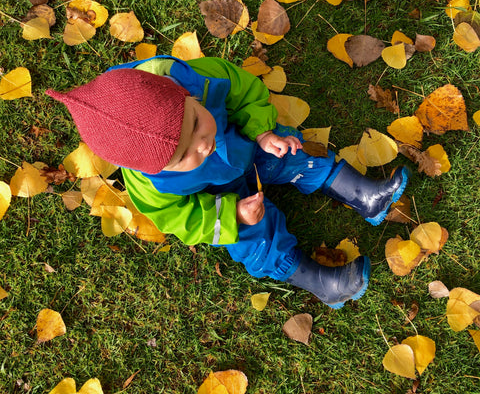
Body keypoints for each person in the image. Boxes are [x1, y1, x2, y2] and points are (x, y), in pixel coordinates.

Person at [46, 55, 409, 309]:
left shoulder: (197, 78)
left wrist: (263, 131)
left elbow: (244, 91)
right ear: (154, 171)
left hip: (246, 143)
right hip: (218, 193)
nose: (201, 146)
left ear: (184, 96)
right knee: (253, 239)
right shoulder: (150, 186)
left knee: (293, 152)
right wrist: (231, 214)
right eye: (183, 156)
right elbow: (181, 219)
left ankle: (365, 196)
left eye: (195, 124)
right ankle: (321, 283)